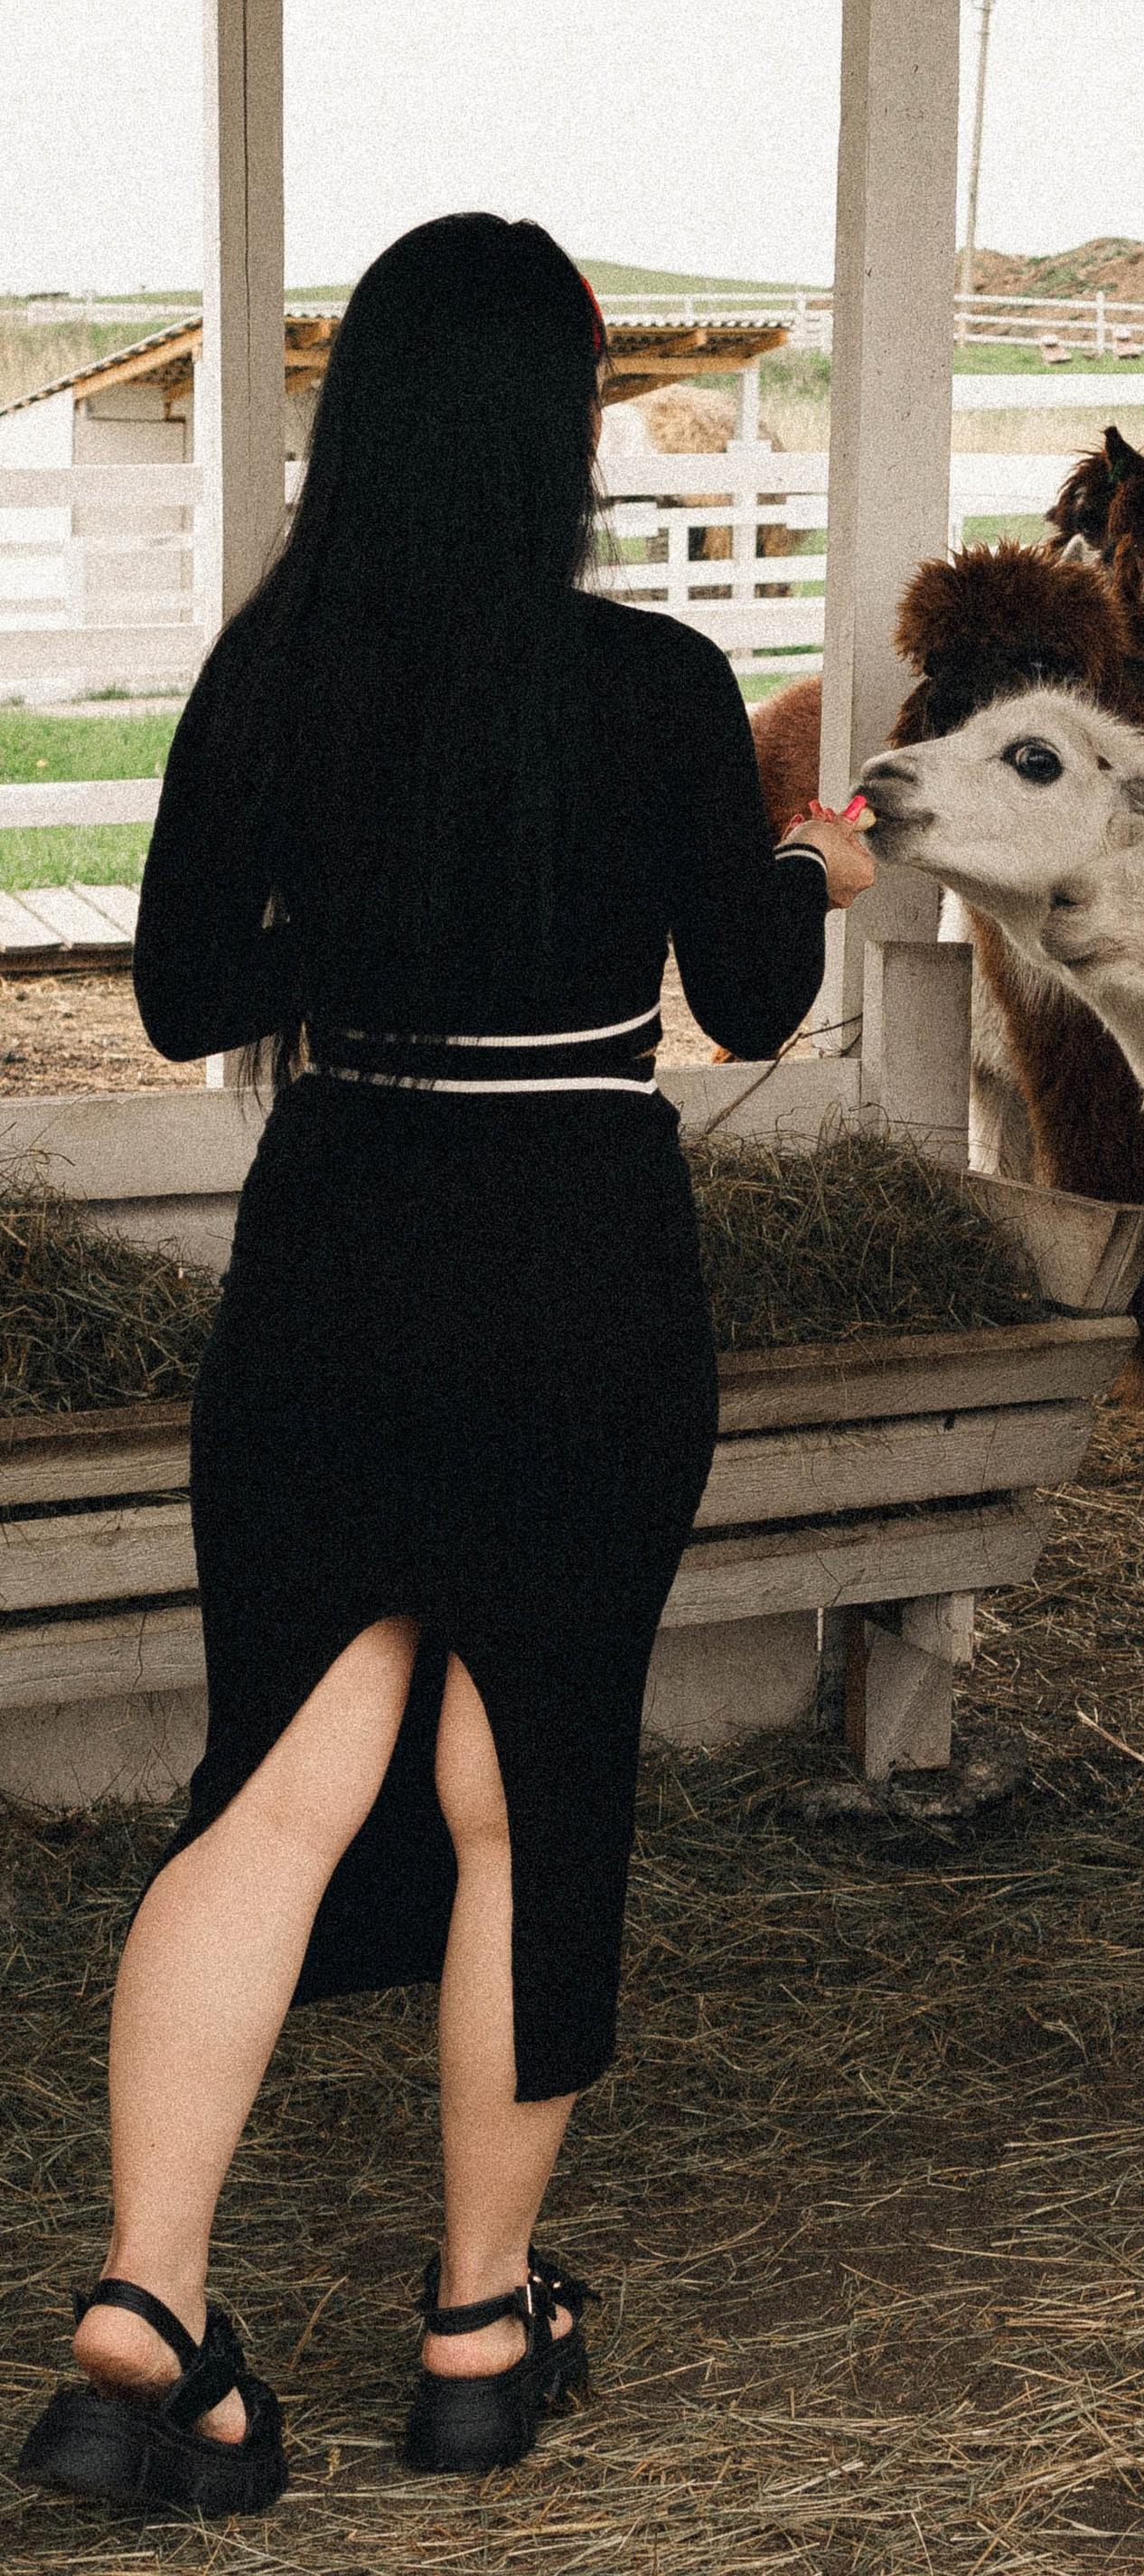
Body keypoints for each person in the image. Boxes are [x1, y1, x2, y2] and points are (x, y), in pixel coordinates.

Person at [15, 216, 877, 2520]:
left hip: (332, 1265)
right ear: (564, 426)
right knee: (528, 1790)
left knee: (274, 1790)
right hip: (578, 1277)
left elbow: (193, 1002)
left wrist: (365, 914)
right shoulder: (656, 689)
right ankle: (480, 2335)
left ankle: (140, 2308)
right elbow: (754, 1000)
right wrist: (813, 866)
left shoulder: (268, 678)